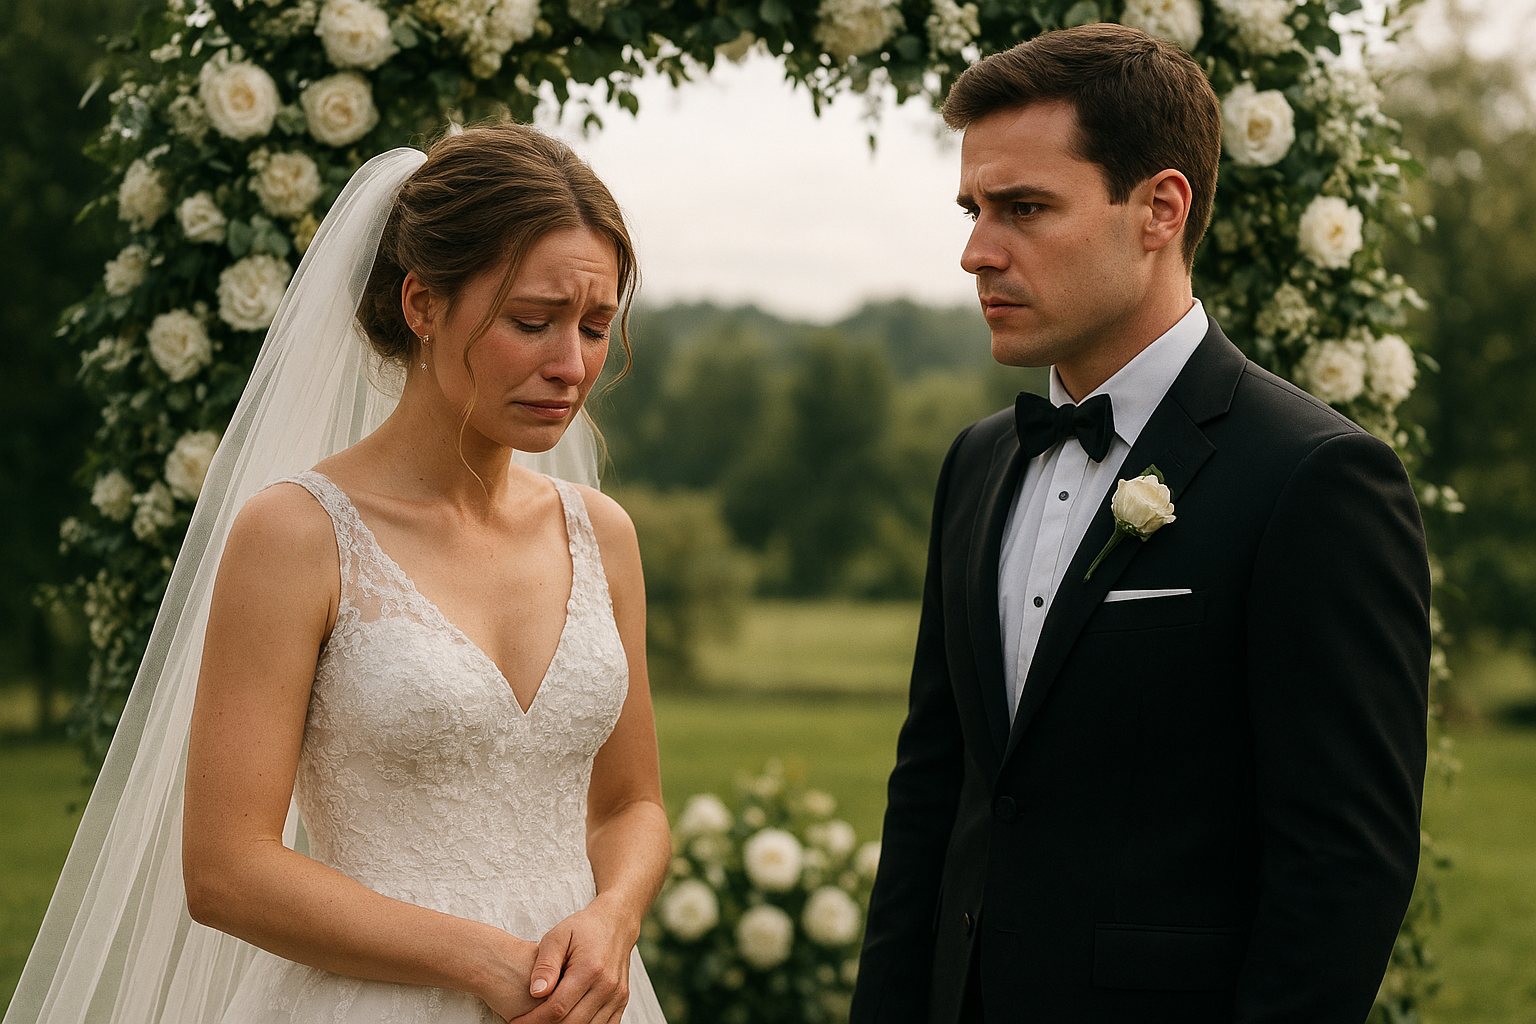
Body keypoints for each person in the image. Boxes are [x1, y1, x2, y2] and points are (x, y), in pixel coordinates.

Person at [5, 125, 670, 1024]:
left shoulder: (602, 535)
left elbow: (632, 804)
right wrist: (484, 959)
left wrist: (612, 916)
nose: (571, 366)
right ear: (423, 304)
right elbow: (227, 868)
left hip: (580, 1000)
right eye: (532, 321)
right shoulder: (299, 534)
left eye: (595, 327)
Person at [850, 24, 1431, 1024]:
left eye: (1025, 208)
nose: (976, 251)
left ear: (1160, 207)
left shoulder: (1316, 479)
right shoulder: (979, 462)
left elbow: (1343, 867)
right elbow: (933, 798)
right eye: (974, 208)